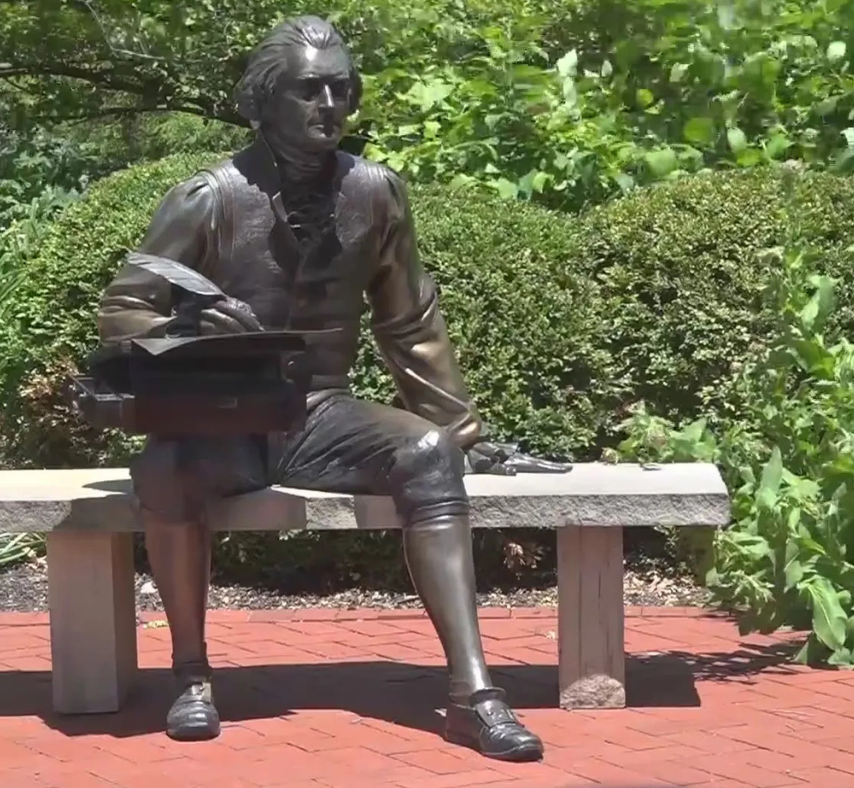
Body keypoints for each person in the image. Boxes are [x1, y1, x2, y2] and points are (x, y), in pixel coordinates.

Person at [96, 15, 565, 763]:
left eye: (341, 87)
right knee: (165, 468)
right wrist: (196, 328)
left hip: (319, 411)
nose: (330, 104)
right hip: (226, 420)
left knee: (429, 454)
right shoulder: (207, 198)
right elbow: (123, 310)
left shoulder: (375, 193)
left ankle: (474, 693)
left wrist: (461, 433)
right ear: (263, 100)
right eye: (309, 90)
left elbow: (409, 323)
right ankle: (190, 674)